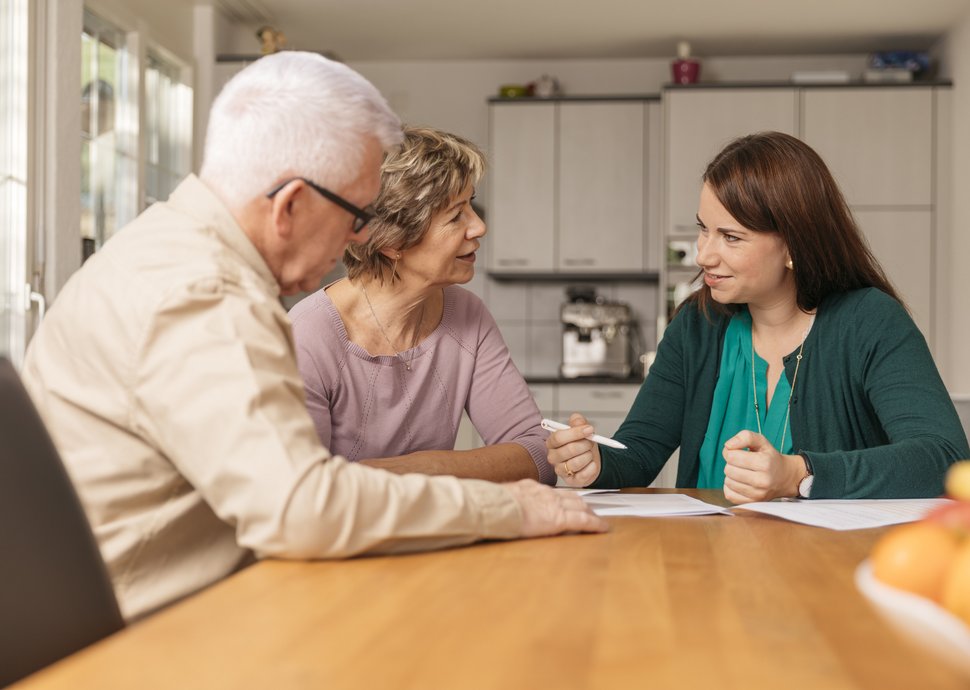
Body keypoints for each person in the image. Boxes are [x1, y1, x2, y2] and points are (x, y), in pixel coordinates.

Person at [22, 52, 606, 622]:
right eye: (356, 213)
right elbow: (301, 507)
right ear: (290, 206)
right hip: (147, 642)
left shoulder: (161, 250)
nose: (358, 236)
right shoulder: (207, 297)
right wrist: (505, 507)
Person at [547, 131, 969, 503]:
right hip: (705, 560)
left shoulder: (870, 321)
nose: (703, 254)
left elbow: (945, 459)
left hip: (830, 568)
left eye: (731, 237)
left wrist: (800, 475)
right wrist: (594, 461)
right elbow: (637, 454)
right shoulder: (696, 323)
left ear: (793, 247)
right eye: (703, 229)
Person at [290, 126, 553, 485]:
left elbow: (538, 454)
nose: (479, 227)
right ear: (391, 241)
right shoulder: (307, 336)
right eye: (455, 215)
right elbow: (306, 493)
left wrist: (425, 468)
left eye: (471, 206)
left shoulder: (467, 315)